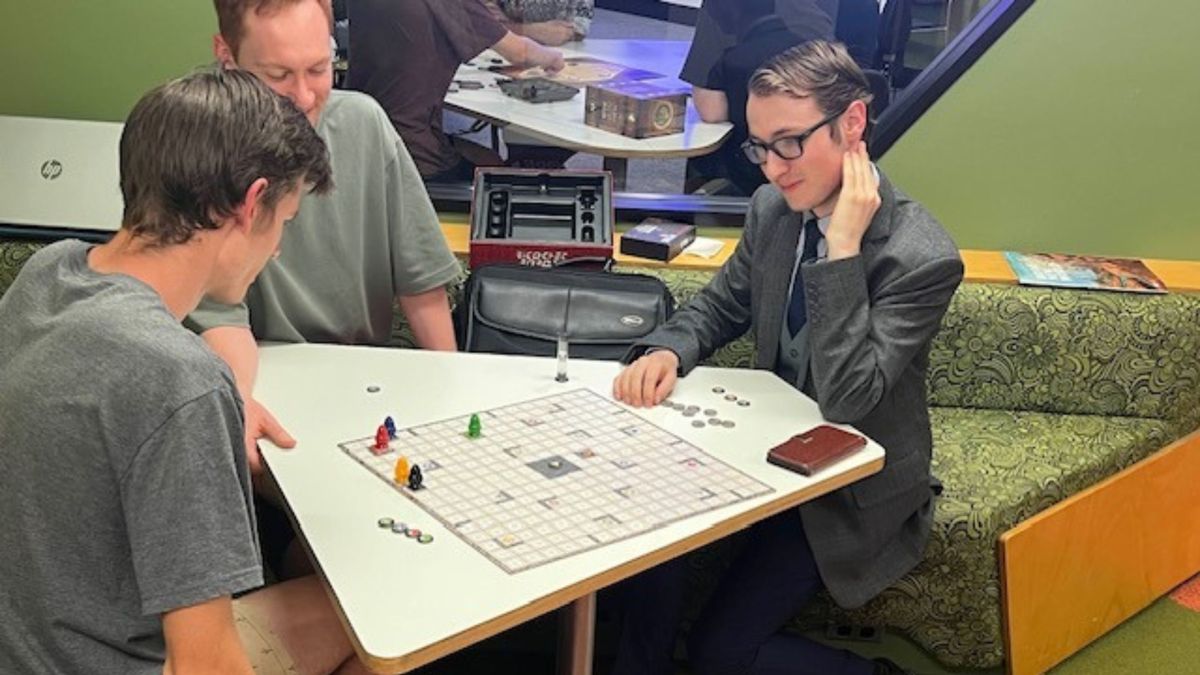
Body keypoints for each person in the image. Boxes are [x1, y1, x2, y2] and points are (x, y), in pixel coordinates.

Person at [610, 41, 964, 675]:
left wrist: (843, 248)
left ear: (852, 123)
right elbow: (721, 306)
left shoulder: (921, 255)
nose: (772, 168)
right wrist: (669, 346)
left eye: (789, 143)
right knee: (646, 558)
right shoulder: (773, 209)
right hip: (767, 452)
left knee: (722, 651)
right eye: (759, 146)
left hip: (849, 488)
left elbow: (849, 400)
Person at [0, 68, 368, 675]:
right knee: (367, 616)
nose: (276, 250)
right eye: (285, 222)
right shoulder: (181, 380)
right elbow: (205, 665)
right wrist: (199, 411)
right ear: (252, 205)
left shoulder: (47, 273)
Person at [195, 0, 462, 472]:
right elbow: (221, 318)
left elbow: (421, 278)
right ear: (226, 55)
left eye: (319, 68)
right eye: (278, 75)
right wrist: (239, 409)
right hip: (259, 381)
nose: (302, 96)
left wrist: (455, 398)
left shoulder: (363, 122)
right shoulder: (195, 143)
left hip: (360, 388)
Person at [345, 0, 565, 181]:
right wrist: (554, 59)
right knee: (494, 167)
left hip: (359, 140)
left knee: (481, 152)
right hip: (412, 154)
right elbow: (521, 53)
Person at [683, 0, 834, 197]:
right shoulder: (824, 21)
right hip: (822, 170)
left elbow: (712, 111)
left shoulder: (733, 55)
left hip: (748, 176)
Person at [484, 0, 595, 46]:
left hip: (560, 54)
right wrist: (531, 31)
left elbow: (576, 31)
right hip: (500, 47)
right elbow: (480, 22)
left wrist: (509, 26)